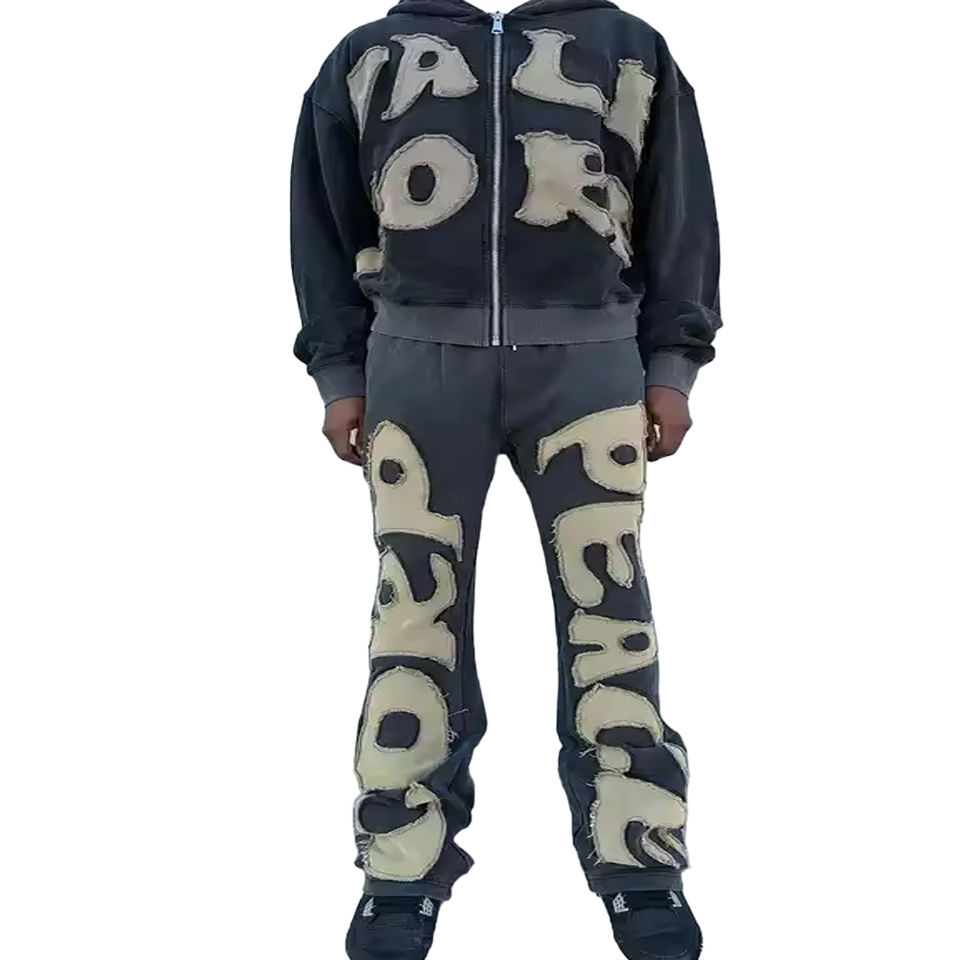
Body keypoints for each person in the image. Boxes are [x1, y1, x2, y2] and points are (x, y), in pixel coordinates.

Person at [290, 0, 720, 956]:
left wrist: (672, 363)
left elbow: (680, 213)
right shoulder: (367, 56)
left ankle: (641, 860)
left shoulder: (629, 47)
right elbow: (322, 222)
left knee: (609, 609)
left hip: (590, 367)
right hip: (416, 366)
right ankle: (400, 869)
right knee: (414, 611)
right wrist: (340, 373)